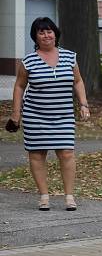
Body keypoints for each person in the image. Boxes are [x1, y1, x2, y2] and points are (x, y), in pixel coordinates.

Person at [7, 17, 90, 211]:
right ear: (35, 37)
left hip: (63, 116)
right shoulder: (28, 61)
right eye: (41, 32)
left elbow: (78, 81)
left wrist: (83, 104)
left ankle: (69, 197)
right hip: (35, 116)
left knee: (67, 153)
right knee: (37, 154)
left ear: (56, 33)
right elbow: (19, 86)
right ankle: (44, 196)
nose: (46, 35)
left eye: (49, 31)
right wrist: (15, 113)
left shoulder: (70, 57)